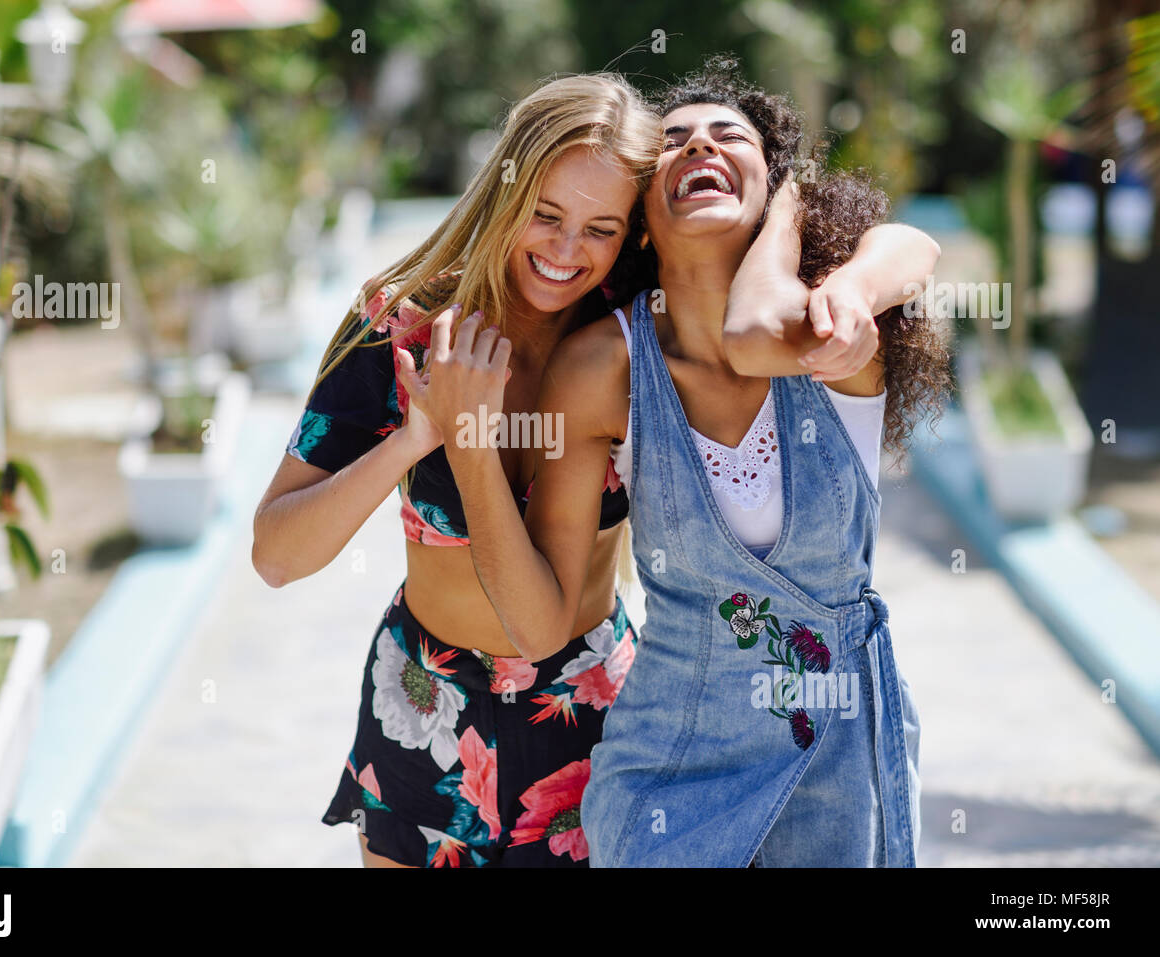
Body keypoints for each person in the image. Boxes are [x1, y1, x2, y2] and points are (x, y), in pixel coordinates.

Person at [407, 55, 950, 866]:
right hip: (670, 776)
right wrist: (471, 446)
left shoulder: (830, 337)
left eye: (729, 138)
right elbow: (540, 623)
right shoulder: (603, 368)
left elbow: (780, 316)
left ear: (776, 201)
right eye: (676, 143)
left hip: (841, 769)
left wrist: (825, 242)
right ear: (641, 219)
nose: (700, 147)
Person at [252, 72, 665, 868]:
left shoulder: (631, 329)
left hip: (589, 718)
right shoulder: (401, 319)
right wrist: (416, 438)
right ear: (503, 190)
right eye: (546, 215)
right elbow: (276, 554)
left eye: (600, 228)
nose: (565, 251)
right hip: (422, 703)